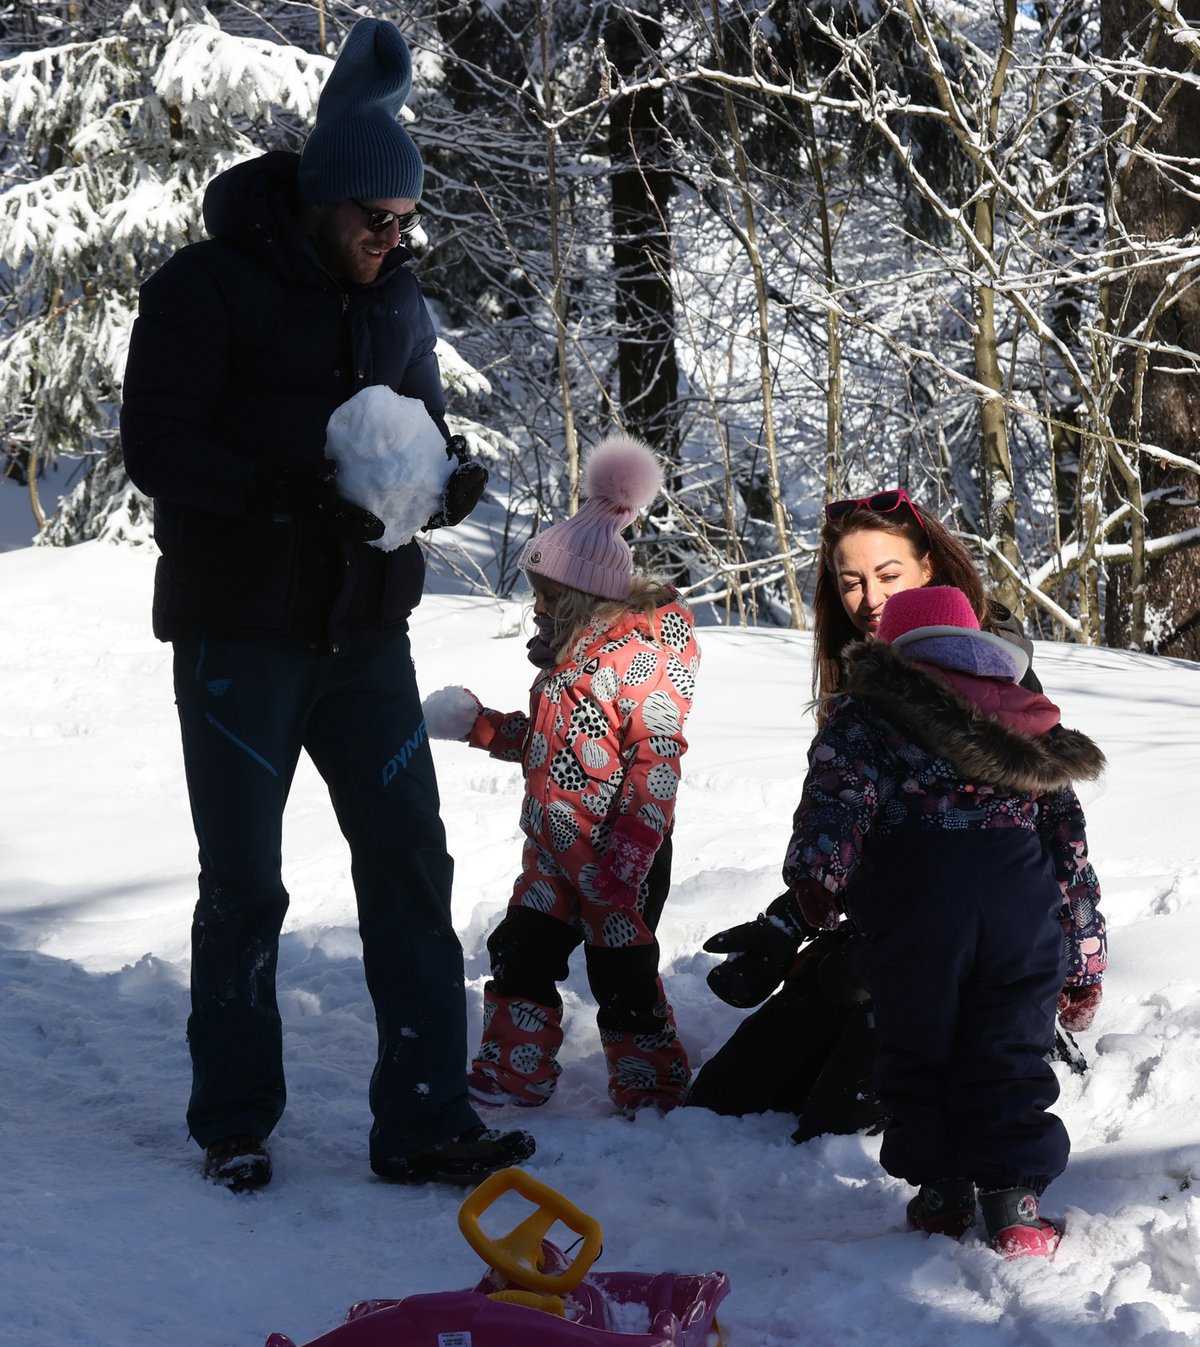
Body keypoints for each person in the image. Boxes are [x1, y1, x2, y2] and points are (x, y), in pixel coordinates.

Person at [120, 18, 533, 1191]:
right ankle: (236, 1121)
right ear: (321, 202)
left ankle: (425, 1117)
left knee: (410, 861)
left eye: (405, 223)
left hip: (365, 635)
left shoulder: (400, 304)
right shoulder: (205, 286)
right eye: (373, 219)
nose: (389, 239)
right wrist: (288, 492)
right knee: (245, 879)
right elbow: (157, 444)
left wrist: (441, 491)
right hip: (238, 632)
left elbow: (413, 442)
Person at [689, 488, 1103, 1135]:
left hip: (985, 950)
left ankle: (1025, 1037)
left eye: (887, 574)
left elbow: (1057, 830)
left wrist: (1077, 949)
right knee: (727, 1094)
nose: (869, 598)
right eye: (850, 580)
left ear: (928, 568)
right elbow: (848, 816)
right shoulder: (860, 685)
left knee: (831, 1120)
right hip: (889, 934)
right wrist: (791, 914)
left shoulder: (987, 676)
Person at [753, 585, 1105, 1257]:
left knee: (920, 1047)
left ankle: (942, 1189)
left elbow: (837, 797)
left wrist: (817, 876)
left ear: (897, 649)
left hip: (916, 908)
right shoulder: (1028, 717)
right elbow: (1070, 849)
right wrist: (1083, 956)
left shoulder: (867, 713)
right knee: (1008, 1047)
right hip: (1020, 908)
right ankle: (1014, 1200)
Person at [422, 436, 698, 1114]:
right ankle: (518, 1066)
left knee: (619, 967)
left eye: (546, 598)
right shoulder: (565, 669)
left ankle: (649, 1075)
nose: (536, 610)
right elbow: (553, 746)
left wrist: (628, 855)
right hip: (553, 848)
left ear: (581, 599)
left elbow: (654, 766)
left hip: (617, 855)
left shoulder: (640, 665)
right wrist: (484, 725)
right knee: (521, 946)